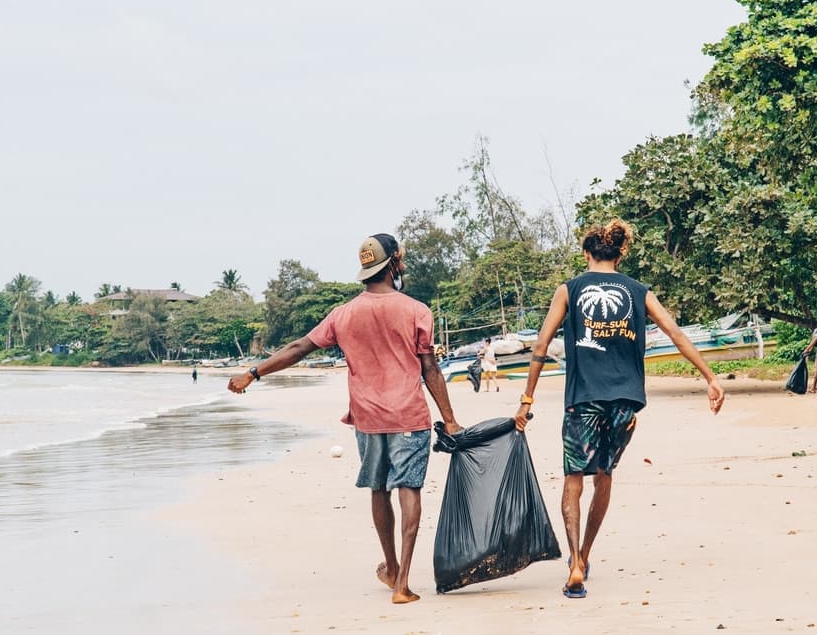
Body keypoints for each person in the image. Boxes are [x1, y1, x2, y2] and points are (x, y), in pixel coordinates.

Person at [227, 233, 462, 605]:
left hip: (368, 418)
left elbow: (299, 348)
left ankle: (390, 565)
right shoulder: (417, 310)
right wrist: (449, 420)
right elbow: (429, 367)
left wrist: (253, 373)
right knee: (409, 490)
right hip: (408, 415)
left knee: (379, 489)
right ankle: (402, 584)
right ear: (395, 262)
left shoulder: (343, 315)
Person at [513, 219, 725, 600]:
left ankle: (576, 562)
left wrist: (527, 398)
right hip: (626, 402)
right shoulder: (638, 291)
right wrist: (710, 377)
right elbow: (675, 332)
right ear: (620, 252)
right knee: (604, 476)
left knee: (574, 479)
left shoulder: (570, 289)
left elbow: (542, 346)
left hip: (583, 399)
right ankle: (587, 554)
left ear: (586, 253)